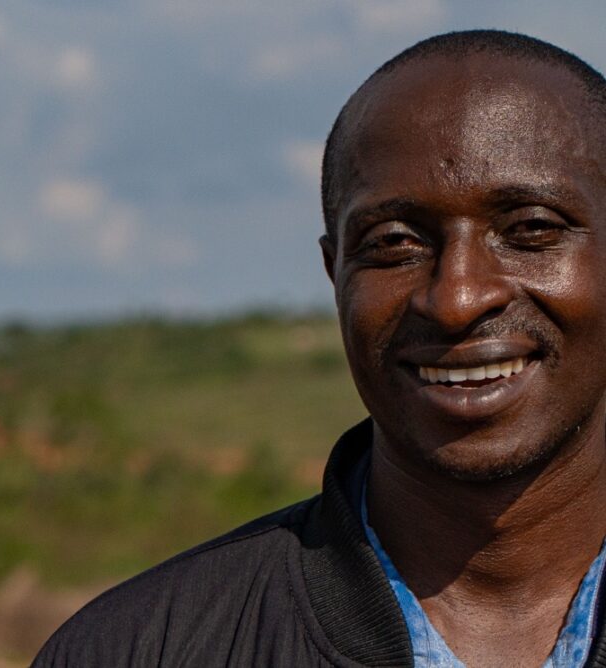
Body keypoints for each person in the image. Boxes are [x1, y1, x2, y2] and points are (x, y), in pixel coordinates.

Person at [32, 29, 606, 667]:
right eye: (394, 242)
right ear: (337, 274)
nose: (457, 298)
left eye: (531, 228)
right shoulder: (139, 650)